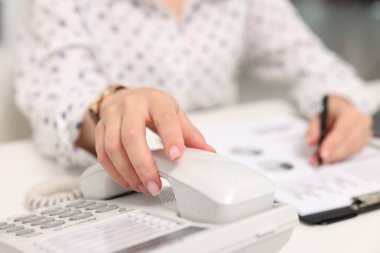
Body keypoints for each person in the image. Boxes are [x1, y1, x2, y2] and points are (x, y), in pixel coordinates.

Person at [15, 0, 373, 196]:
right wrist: (111, 106)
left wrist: (340, 104)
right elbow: (55, 96)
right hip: (118, 188)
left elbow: (313, 63)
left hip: (221, 179)